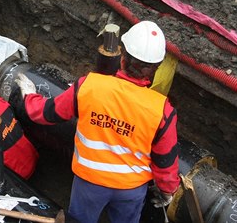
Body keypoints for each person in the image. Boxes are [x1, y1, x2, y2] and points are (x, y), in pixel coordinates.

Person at [12, 21, 179, 223]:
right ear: (155, 69)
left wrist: (30, 96)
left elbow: (47, 114)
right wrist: (167, 190)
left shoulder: (88, 86)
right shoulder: (162, 110)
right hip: (130, 189)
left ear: (123, 58)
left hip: (90, 183)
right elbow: (165, 160)